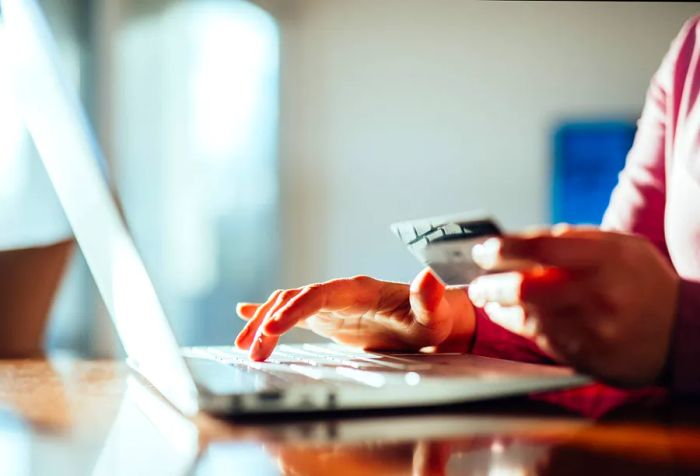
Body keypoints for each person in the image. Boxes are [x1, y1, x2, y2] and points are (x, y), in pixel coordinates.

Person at [235, 16, 700, 394]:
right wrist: (455, 324)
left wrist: (682, 329)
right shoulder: (690, 56)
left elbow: (657, 325)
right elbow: (611, 320)